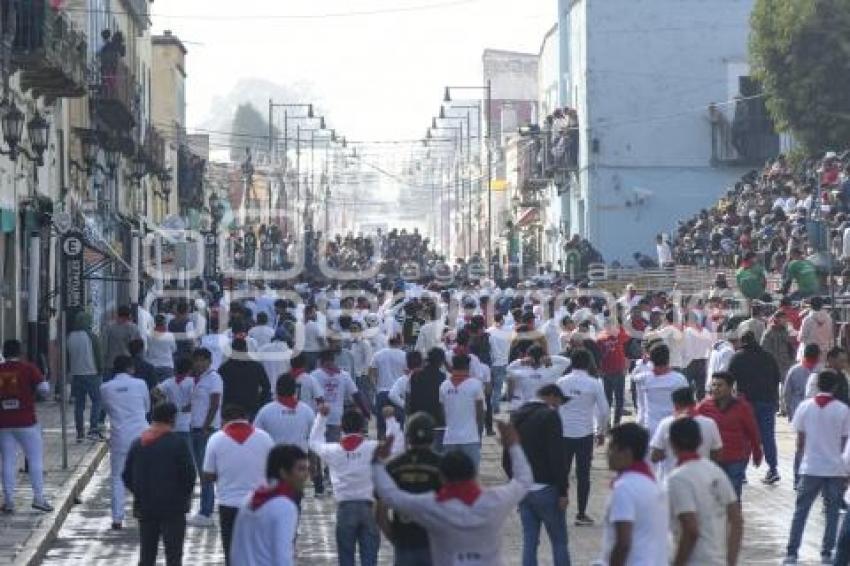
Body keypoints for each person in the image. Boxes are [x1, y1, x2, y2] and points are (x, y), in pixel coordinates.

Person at [372, 421, 532, 566]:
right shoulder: (495, 501)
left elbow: (391, 495)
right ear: (473, 474)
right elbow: (523, 481)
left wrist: (377, 461)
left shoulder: (432, 506)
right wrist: (514, 446)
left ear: (442, 476)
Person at [783, 370, 850, 565]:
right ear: (836, 387)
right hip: (834, 469)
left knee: (801, 511)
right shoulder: (842, 410)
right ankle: (826, 553)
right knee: (832, 513)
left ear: (817, 385)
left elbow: (800, 440)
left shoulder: (805, 407)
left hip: (810, 467)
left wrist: (802, 459)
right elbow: (845, 442)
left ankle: (792, 553)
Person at [122, 402, 196, 566]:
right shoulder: (178, 443)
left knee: (147, 556)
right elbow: (189, 476)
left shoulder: (138, 443)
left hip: (146, 507)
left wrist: (140, 493)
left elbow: (126, 476)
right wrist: (182, 497)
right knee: (174, 556)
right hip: (173, 509)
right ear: (172, 419)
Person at [505, 383, 570, 566]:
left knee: (529, 541)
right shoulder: (550, 416)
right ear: (551, 396)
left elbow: (507, 456)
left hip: (524, 489)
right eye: (558, 402)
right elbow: (557, 457)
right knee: (559, 541)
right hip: (546, 488)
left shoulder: (516, 415)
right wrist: (563, 491)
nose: (558, 406)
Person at [203, 404, 274, 564]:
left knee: (232, 553)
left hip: (229, 505)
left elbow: (208, 475)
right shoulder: (265, 438)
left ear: (223, 420)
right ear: (246, 418)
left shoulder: (216, 439)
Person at [310, 406, 381, 566]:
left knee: (346, 558)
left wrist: (321, 417)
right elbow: (396, 447)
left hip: (345, 507)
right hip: (368, 507)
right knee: (370, 558)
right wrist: (391, 422)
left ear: (342, 427)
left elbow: (314, 442)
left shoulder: (334, 450)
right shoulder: (372, 447)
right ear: (363, 427)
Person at [666, 418, 742, 566]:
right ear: (700, 441)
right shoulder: (715, 471)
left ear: (672, 443)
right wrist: (731, 561)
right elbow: (737, 520)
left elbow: (691, 529)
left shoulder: (678, 478)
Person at [377, 412, 443, 566]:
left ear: (408, 437)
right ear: (432, 436)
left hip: (404, 543)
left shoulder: (393, 467)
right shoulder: (442, 466)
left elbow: (379, 511)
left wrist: (394, 538)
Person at [599, 422, 668, 566]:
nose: (608, 454)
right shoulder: (653, 485)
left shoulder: (624, 488)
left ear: (626, 452)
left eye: (612, 448)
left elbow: (623, 543)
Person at [230, 445, 310, 566]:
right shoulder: (285, 507)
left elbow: (235, 549)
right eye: (301, 469)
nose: (306, 475)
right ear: (283, 473)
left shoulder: (250, 498)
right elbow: (282, 557)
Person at [556, 348, 609, 526]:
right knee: (583, 474)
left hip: (563, 432)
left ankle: (558, 510)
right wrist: (601, 432)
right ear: (588, 363)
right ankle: (581, 513)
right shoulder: (594, 383)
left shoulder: (561, 382)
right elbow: (604, 411)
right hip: (585, 433)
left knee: (561, 472)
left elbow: (553, 407)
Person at [0, 339, 52, 513]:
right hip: (27, 421)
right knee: (35, 458)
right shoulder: (28, 368)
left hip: (4, 422)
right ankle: (38, 498)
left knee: (7, 460)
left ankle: (8, 501)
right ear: (20, 352)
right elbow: (44, 389)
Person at [100, 354, 150, 529]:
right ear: (130, 368)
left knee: (117, 478)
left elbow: (107, 410)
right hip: (141, 435)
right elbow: (147, 407)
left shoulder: (105, 388)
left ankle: (117, 518)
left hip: (119, 436)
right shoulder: (140, 384)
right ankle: (144, 511)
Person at [696, 372, 762, 499]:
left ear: (731, 387)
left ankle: (734, 517)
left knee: (733, 494)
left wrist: (757, 453)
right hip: (713, 458)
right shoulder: (704, 406)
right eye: (713, 385)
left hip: (736, 458)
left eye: (720, 385)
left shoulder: (742, 407)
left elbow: (753, 431)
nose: (715, 388)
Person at [728, 330, 782, 485]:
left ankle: (741, 472)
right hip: (767, 401)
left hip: (746, 403)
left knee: (745, 437)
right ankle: (773, 469)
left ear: (742, 341)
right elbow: (777, 378)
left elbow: (729, 380)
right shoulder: (768, 356)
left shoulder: (737, 357)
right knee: (767, 437)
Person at [188, 347, 223, 527]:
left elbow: (215, 403)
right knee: (202, 473)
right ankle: (205, 509)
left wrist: (205, 427)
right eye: (196, 360)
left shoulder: (214, 378)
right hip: (195, 429)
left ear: (209, 361)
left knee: (206, 473)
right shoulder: (198, 379)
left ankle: (206, 511)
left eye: (202, 360)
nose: (198, 364)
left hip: (206, 431)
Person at [440, 352, 485, 470]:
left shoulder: (444, 386)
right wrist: (479, 433)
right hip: (470, 438)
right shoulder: (476, 384)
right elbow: (480, 413)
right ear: (468, 367)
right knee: (471, 477)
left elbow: (443, 412)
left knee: (450, 477)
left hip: (450, 438)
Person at [254, 373, 316, 452]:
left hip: (275, 459)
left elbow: (256, 436)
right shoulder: (307, 411)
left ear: (276, 389)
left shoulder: (265, 411)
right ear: (295, 390)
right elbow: (315, 437)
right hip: (300, 459)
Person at [637, 344, 689, 437]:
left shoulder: (643, 379)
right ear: (668, 359)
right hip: (674, 426)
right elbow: (687, 406)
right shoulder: (680, 379)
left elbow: (641, 406)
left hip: (650, 428)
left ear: (651, 359)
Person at [67, 311, 103, 442]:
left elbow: (67, 356)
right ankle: (93, 429)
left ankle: (80, 433)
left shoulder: (70, 336)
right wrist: (101, 370)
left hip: (76, 375)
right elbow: (98, 355)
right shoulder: (91, 336)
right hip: (92, 373)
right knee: (97, 401)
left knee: (79, 405)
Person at [219, 338, 271, 419]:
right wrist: (259, 402)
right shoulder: (256, 366)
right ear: (246, 349)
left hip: (230, 410)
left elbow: (219, 390)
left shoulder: (225, 368)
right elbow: (266, 387)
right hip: (251, 409)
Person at [506, 345, 571, 408]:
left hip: (545, 407)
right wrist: (521, 362)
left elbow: (568, 362)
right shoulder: (521, 371)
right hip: (526, 405)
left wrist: (550, 358)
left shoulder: (551, 370)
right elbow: (507, 370)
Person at [152, 357, 195, 451]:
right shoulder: (192, 382)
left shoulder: (169, 382)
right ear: (190, 369)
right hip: (187, 424)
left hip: (172, 422)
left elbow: (154, 391)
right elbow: (195, 400)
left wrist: (162, 400)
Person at [370, 335, 408, 438]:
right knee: (399, 424)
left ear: (388, 342)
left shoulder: (378, 355)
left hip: (382, 392)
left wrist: (376, 388)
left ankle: (382, 449)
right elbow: (407, 375)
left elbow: (372, 374)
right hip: (398, 395)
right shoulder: (405, 356)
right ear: (400, 342)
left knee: (382, 426)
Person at [596, 319, 630, 426]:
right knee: (608, 400)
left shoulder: (618, 336)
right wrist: (599, 370)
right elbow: (598, 356)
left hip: (618, 372)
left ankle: (616, 423)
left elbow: (627, 336)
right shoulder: (600, 338)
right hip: (607, 373)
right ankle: (608, 424)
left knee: (618, 400)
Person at [101, 305, 141, 380]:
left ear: (117, 314)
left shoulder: (108, 327)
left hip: (111, 364)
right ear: (129, 315)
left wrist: (102, 363)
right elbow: (138, 346)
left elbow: (104, 347)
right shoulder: (134, 328)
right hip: (128, 365)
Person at [799, 296, 833, 362]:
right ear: (822, 305)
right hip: (824, 352)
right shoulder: (829, 319)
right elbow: (830, 336)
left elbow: (801, 338)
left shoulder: (807, 319)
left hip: (810, 352)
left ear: (811, 306)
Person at [147, 314, 177, 383]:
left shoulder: (149, 334)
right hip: (167, 365)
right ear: (165, 323)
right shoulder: (170, 335)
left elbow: (148, 348)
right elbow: (174, 349)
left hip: (153, 365)